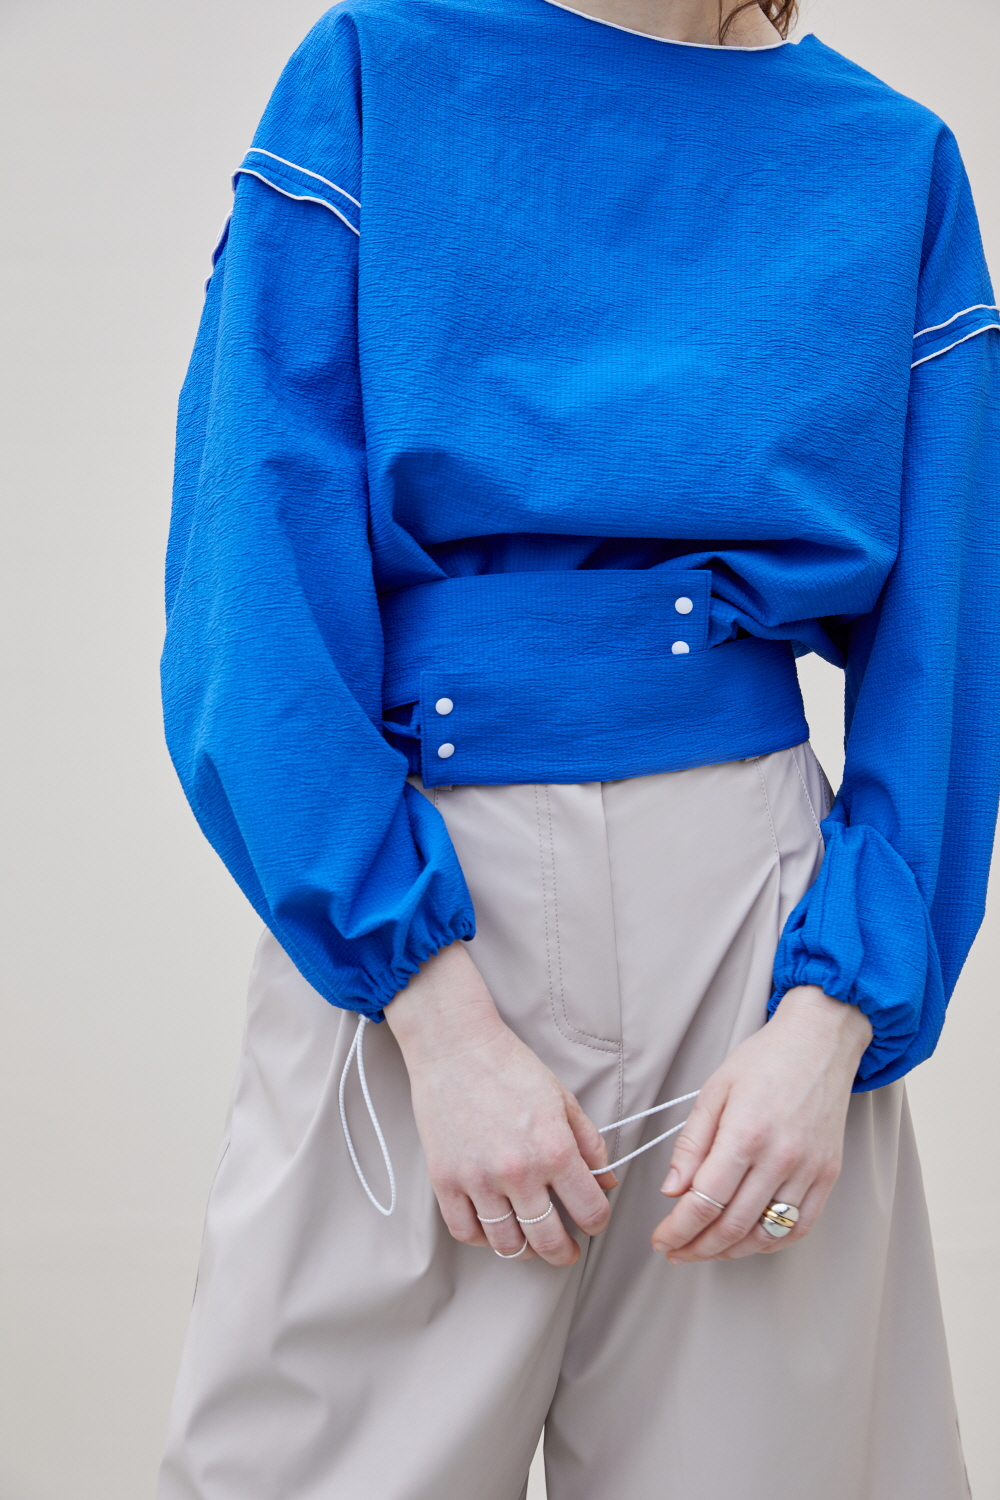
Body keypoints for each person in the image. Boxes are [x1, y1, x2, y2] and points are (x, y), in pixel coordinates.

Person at [157, 0, 1000, 1495]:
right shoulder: (377, 74)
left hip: (758, 933)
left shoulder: (891, 161)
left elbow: (951, 636)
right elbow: (252, 578)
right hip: (424, 897)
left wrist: (836, 1018)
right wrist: (431, 1013)